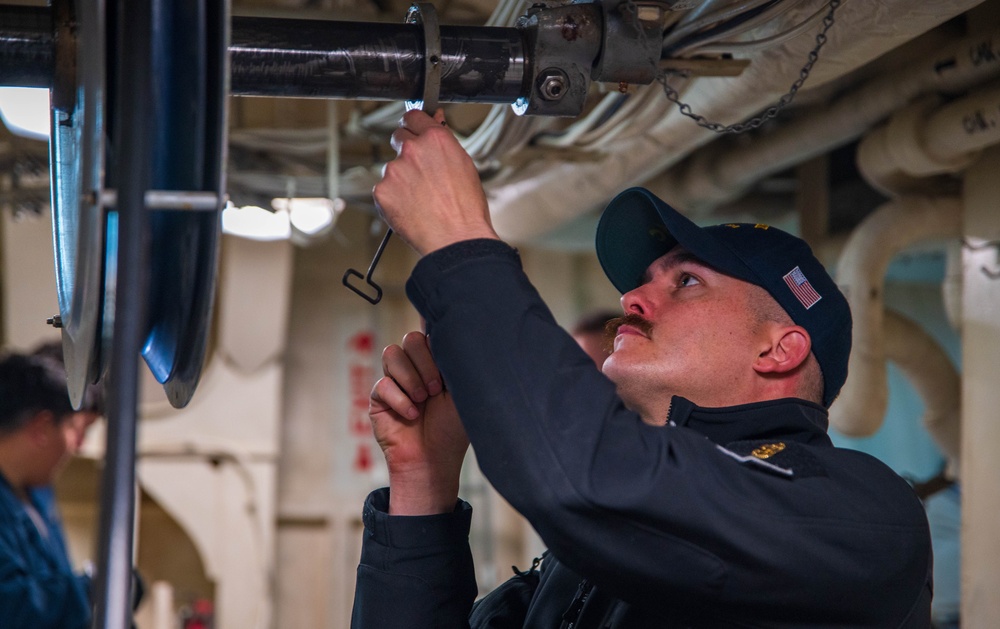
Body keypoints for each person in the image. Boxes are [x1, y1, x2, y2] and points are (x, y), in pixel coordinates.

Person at [351, 110, 932, 628]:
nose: (632, 299)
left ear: (779, 351)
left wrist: (459, 239)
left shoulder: (854, 513)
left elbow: (596, 481)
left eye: (687, 281)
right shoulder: (592, 559)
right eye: (643, 282)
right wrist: (423, 483)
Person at [0, 343, 102, 628]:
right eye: (74, 429)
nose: (77, 445)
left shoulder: (30, 493)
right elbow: (9, 607)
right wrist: (94, 591)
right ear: (41, 428)